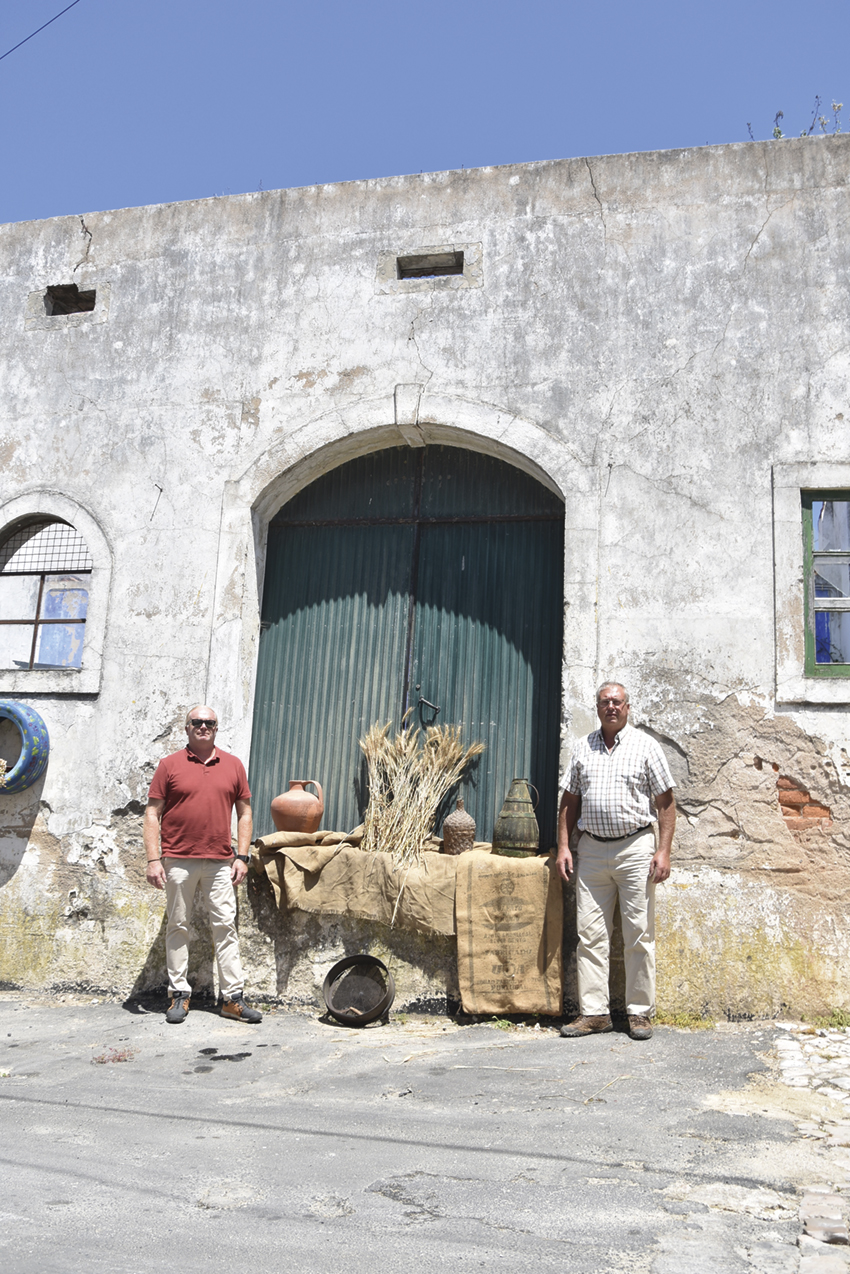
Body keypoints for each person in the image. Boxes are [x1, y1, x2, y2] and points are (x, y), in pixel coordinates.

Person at [556, 682, 675, 1042]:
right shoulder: (583, 748)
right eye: (605, 702)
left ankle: (639, 1013)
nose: (611, 707)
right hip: (591, 850)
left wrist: (664, 850)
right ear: (597, 707)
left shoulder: (645, 746)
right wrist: (564, 847)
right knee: (590, 935)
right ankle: (594, 1013)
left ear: (627, 707)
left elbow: (666, 803)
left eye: (617, 702)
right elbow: (568, 803)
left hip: (635, 847)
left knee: (638, 932)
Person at [143, 706, 263, 1025]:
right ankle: (179, 995)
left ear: (216, 728)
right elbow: (152, 814)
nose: (203, 727)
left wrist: (243, 855)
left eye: (210, 723)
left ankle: (232, 999)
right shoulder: (169, 765)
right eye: (197, 722)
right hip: (178, 860)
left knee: (225, 927)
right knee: (178, 925)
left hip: (221, 862)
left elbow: (245, 813)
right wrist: (154, 859)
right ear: (186, 728)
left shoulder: (234, 765)